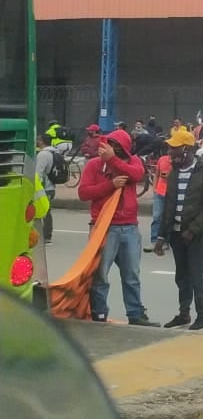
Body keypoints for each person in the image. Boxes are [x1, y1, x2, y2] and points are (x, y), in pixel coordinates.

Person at [78, 129, 158, 326]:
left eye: (117, 146)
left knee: (131, 275)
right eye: (109, 144)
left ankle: (135, 314)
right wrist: (110, 185)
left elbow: (136, 174)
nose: (112, 149)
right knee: (101, 275)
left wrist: (113, 161)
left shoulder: (132, 162)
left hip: (130, 227)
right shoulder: (94, 165)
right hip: (104, 227)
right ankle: (99, 313)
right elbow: (83, 193)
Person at [152, 130, 203, 331]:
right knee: (182, 275)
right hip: (176, 234)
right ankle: (184, 314)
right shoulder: (174, 173)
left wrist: (193, 230)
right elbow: (169, 206)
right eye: (170, 148)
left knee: (197, 275)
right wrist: (162, 236)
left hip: (196, 235)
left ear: (188, 149)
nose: (170, 152)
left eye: (174, 148)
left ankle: (202, 316)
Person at [146, 150, 172, 252]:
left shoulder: (178, 163)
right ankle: (154, 241)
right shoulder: (162, 159)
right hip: (159, 192)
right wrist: (155, 189)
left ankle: (166, 242)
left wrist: (170, 176)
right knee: (157, 216)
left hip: (171, 193)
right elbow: (156, 175)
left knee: (168, 218)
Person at [33, 133, 56, 244]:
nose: (37, 140)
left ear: (42, 141)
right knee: (47, 210)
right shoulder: (53, 152)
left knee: (43, 211)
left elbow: (38, 173)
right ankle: (46, 235)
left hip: (44, 187)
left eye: (38, 138)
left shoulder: (43, 155)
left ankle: (46, 236)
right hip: (51, 187)